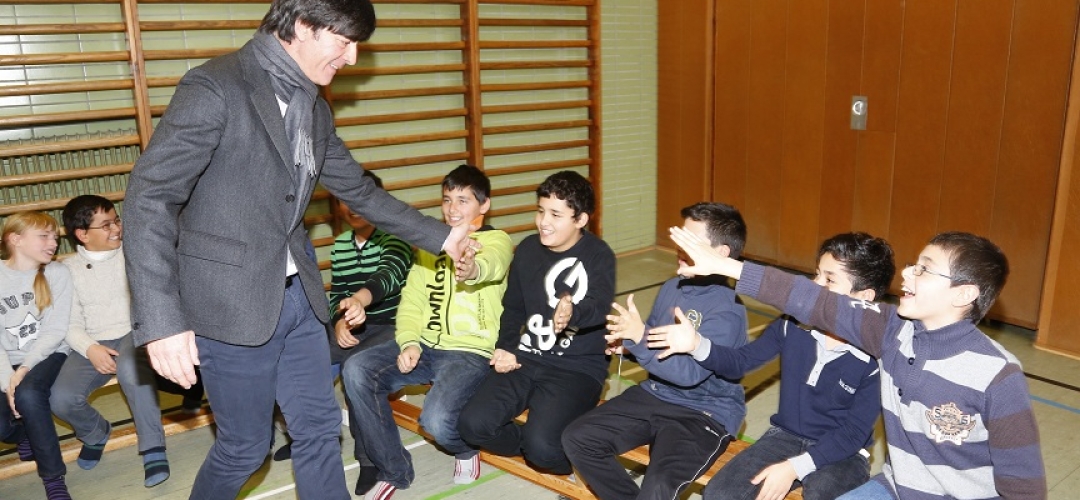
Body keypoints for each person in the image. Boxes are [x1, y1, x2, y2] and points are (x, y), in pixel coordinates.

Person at [121, 1, 474, 498]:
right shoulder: (216, 86)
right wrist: (162, 321)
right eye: (344, 41)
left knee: (319, 430)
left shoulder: (313, 106)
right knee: (244, 448)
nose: (351, 59)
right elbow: (149, 198)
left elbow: (360, 191)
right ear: (304, 27)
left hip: (300, 301)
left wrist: (444, 236)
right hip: (230, 306)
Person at [660, 229, 1046, 500]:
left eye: (925, 269)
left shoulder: (998, 375)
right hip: (901, 488)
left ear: (964, 293)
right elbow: (811, 300)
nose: (909, 273)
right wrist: (729, 268)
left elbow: (1025, 486)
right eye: (914, 264)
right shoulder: (891, 332)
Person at [649, 232, 892, 500]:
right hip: (784, 437)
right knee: (719, 493)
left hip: (842, 452)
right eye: (817, 274)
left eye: (829, 279)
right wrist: (697, 344)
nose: (815, 285)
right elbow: (740, 362)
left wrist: (793, 468)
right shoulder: (791, 324)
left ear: (865, 297)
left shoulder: (876, 358)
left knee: (824, 492)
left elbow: (853, 434)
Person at [344, 164, 513, 500]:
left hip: (469, 352)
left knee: (434, 422)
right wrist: (409, 343)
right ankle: (394, 469)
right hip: (424, 345)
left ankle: (464, 450)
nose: (453, 209)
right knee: (357, 370)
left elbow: (490, 263)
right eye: (448, 199)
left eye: (463, 200)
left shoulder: (497, 241)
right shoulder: (430, 245)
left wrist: (471, 266)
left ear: (484, 205)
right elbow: (411, 303)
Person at [562, 202, 749, 500]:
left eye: (691, 240)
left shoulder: (729, 310)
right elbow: (653, 339)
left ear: (722, 254)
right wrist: (628, 345)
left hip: (703, 412)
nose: (678, 246)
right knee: (578, 438)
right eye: (679, 237)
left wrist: (639, 337)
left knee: (659, 484)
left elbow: (689, 374)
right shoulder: (672, 286)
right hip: (655, 394)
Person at [457, 170, 616, 477]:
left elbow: (599, 307)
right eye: (541, 211)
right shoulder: (529, 249)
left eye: (556, 214)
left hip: (577, 368)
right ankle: (533, 446)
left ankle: (555, 452)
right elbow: (513, 307)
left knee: (543, 450)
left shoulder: (599, 255)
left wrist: (573, 313)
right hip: (526, 357)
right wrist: (505, 347)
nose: (544, 221)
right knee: (472, 425)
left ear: (580, 220)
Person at [272, 170, 413, 462]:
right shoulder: (341, 245)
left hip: (391, 326)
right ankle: (305, 437)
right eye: (346, 200)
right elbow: (337, 294)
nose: (353, 208)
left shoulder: (395, 239)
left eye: (361, 201)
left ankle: (368, 458)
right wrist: (338, 321)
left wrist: (361, 300)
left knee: (354, 370)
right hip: (350, 326)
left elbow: (387, 278)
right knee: (302, 363)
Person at [50, 195, 171, 488]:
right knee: (60, 397)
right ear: (82, 234)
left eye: (116, 220)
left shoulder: (134, 254)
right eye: (105, 225)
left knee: (132, 371)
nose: (116, 228)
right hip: (91, 341)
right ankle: (95, 433)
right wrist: (90, 348)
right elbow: (69, 323)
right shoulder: (67, 271)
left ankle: (153, 446)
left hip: (134, 331)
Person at [0, 212, 74, 500]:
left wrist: (23, 371)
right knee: (4, 426)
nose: (53, 242)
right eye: (44, 236)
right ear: (15, 239)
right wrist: (8, 381)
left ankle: (53, 479)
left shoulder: (58, 273)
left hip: (46, 354)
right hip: (7, 359)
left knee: (29, 396)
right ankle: (27, 433)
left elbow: (56, 330)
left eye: (55, 236)